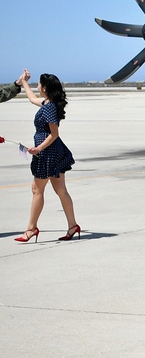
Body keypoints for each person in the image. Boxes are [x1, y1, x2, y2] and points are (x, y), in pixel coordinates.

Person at [15, 73, 80, 243]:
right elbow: (31, 99)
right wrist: (23, 83)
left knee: (37, 190)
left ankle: (31, 229)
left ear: (44, 88)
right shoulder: (47, 103)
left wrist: (39, 148)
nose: (37, 86)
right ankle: (73, 226)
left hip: (48, 152)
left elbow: (54, 134)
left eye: (38, 84)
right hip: (49, 151)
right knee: (60, 190)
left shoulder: (49, 107)